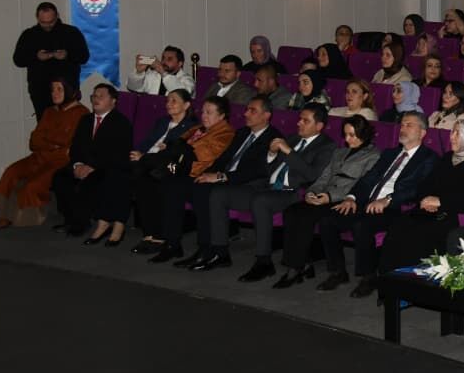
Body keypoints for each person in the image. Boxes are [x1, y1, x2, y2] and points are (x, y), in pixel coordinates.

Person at [200, 104, 336, 281]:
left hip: (292, 192)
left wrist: (288, 151)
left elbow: (312, 175)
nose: (299, 123)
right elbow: (267, 169)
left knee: (261, 201)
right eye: (300, 119)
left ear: (319, 126)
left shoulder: (326, 146)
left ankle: (263, 262)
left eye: (305, 121)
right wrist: (272, 154)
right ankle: (220, 252)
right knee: (219, 194)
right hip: (267, 187)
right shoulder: (292, 138)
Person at [314, 111, 440, 297]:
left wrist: (388, 199)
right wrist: (352, 197)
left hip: (395, 208)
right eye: (402, 124)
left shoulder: (429, 158)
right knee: (328, 220)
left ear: (422, 133)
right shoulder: (390, 153)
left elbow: (417, 189)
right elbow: (368, 178)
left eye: (409, 125)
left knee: (362, 225)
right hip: (368, 203)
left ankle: (369, 277)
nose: (403, 128)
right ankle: (338, 272)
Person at [374, 119, 464, 274]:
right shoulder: (448, 158)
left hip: (451, 215)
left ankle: (411, 280)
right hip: (427, 210)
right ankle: (388, 279)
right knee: (399, 225)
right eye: (452, 132)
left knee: (419, 236)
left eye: (457, 133)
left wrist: (440, 201)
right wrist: (425, 199)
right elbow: (426, 184)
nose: (451, 137)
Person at [177, 96, 286, 272]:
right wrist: (208, 173)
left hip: (250, 185)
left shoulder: (273, 138)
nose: (246, 114)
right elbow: (224, 158)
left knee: (209, 192)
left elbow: (257, 171)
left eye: (252, 110)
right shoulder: (242, 132)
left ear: (266, 115)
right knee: (194, 185)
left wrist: (221, 177)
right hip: (228, 179)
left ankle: (214, 250)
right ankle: (206, 248)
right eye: (247, 109)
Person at [274, 116, 383, 286]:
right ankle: (301, 263)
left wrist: (330, 197)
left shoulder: (373, 155)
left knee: (307, 216)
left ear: (364, 134)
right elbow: (324, 178)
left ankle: (296, 269)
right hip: (324, 195)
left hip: (343, 199)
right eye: (345, 135)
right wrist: (311, 192)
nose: (347, 139)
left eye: (352, 135)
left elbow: (362, 185)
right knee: (292, 211)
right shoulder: (339, 152)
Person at [138, 96, 237, 262]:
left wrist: (178, 148)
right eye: (203, 112)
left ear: (221, 116)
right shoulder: (199, 128)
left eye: (209, 112)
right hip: (185, 170)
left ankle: (202, 248)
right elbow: (177, 143)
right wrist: (176, 148)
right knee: (165, 184)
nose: (204, 116)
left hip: (202, 173)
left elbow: (201, 154)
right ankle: (172, 243)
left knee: (183, 187)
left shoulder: (226, 132)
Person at [0, 77, 86, 230]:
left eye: (59, 89)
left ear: (70, 91)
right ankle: (4, 214)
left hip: (60, 161)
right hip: (39, 157)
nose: (54, 93)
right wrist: (53, 144)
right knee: (11, 172)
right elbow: (34, 141)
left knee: (33, 184)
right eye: (52, 89)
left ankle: (21, 217)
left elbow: (68, 141)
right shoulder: (49, 111)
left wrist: (47, 139)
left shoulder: (81, 113)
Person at [49, 83, 133, 242]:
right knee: (60, 178)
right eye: (94, 96)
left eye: (101, 96)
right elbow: (75, 147)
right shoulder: (85, 120)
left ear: (113, 101)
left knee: (91, 183)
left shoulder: (121, 122)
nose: (96, 99)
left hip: (105, 166)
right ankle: (71, 219)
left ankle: (81, 222)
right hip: (83, 164)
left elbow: (117, 153)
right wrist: (77, 164)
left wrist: (92, 167)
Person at [124, 88, 198, 255]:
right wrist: (138, 153)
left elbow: (174, 155)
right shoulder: (163, 121)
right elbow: (148, 141)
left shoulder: (191, 127)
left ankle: (156, 235)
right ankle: (149, 234)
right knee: (138, 176)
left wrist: (143, 157)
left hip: (169, 167)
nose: (168, 104)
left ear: (186, 105)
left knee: (146, 179)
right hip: (148, 162)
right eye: (167, 100)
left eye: (174, 101)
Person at [12, 2, 89, 116]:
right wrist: (36, 57)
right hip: (40, 90)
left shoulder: (71, 32)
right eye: (43, 22)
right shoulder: (29, 35)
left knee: (70, 122)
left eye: (51, 22)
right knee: (44, 122)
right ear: (37, 18)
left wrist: (67, 55)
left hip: (67, 89)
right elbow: (18, 60)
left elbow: (84, 57)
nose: (47, 25)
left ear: (57, 16)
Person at [126, 45, 193, 97]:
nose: (164, 62)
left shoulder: (187, 79)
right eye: (163, 58)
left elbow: (182, 94)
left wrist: (163, 72)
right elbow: (132, 87)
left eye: (169, 59)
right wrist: (139, 73)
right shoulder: (154, 75)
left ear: (180, 64)